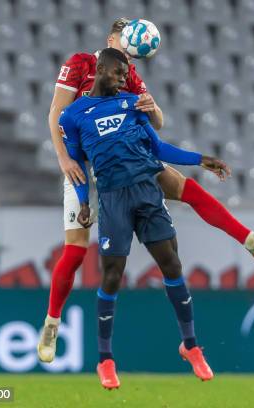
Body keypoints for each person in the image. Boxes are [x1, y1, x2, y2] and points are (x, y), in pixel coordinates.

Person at [37, 18, 254, 364]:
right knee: (76, 251)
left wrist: (153, 108)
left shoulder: (127, 75)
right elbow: (56, 112)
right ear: (111, 37)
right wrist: (65, 158)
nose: (129, 51)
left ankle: (250, 240)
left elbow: (155, 125)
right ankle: (52, 322)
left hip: (128, 161)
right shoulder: (80, 63)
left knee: (186, 188)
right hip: (84, 164)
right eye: (125, 40)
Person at [61, 48, 225, 388]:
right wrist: (83, 203)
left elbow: (159, 149)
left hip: (147, 192)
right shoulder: (73, 116)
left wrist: (202, 159)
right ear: (101, 69)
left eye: (126, 75)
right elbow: (78, 166)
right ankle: (105, 359)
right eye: (119, 73)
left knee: (172, 265)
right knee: (111, 276)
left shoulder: (131, 105)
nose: (124, 79)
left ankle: (191, 346)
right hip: (112, 199)